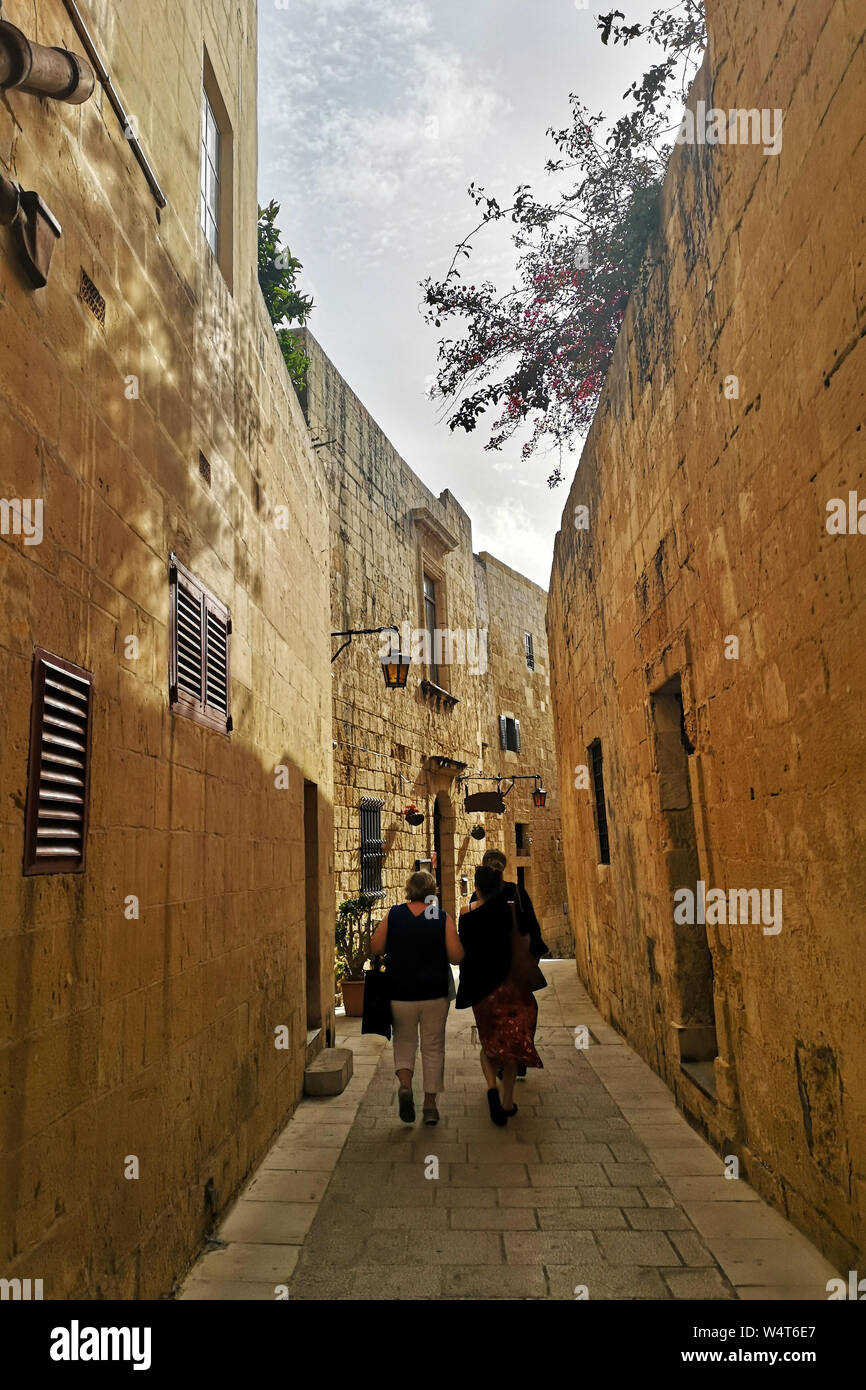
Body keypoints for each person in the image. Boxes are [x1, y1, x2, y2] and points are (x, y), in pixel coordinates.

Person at [370, 870, 464, 1126]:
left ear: (409, 890)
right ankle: (431, 1106)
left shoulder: (395, 914)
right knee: (433, 1047)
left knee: (404, 1041)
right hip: (434, 993)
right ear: (432, 892)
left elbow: (375, 947)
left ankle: (404, 1086)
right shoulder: (440, 916)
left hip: (400, 992)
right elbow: (456, 957)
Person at [457, 864, 544, 1126]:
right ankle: (507, 1101)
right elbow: (528, 941)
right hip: (511, 986)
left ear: (477, 888)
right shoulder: (511, 913)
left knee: (489, 1044)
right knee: (509, 1047)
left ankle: (490, 1088)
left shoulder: (465, 914)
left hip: (482, 992)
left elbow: (463, 952)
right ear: (499, 886)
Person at [471, 849, 549, 1080]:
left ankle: (502, 1058)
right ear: (503, 868)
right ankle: (518, 1055)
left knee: (494, 1015)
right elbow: (530, 925)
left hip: (489, 969)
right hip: (515, 965)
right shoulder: (515, 890)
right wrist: (535, 953)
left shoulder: (477, 896)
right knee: (521, 1011)